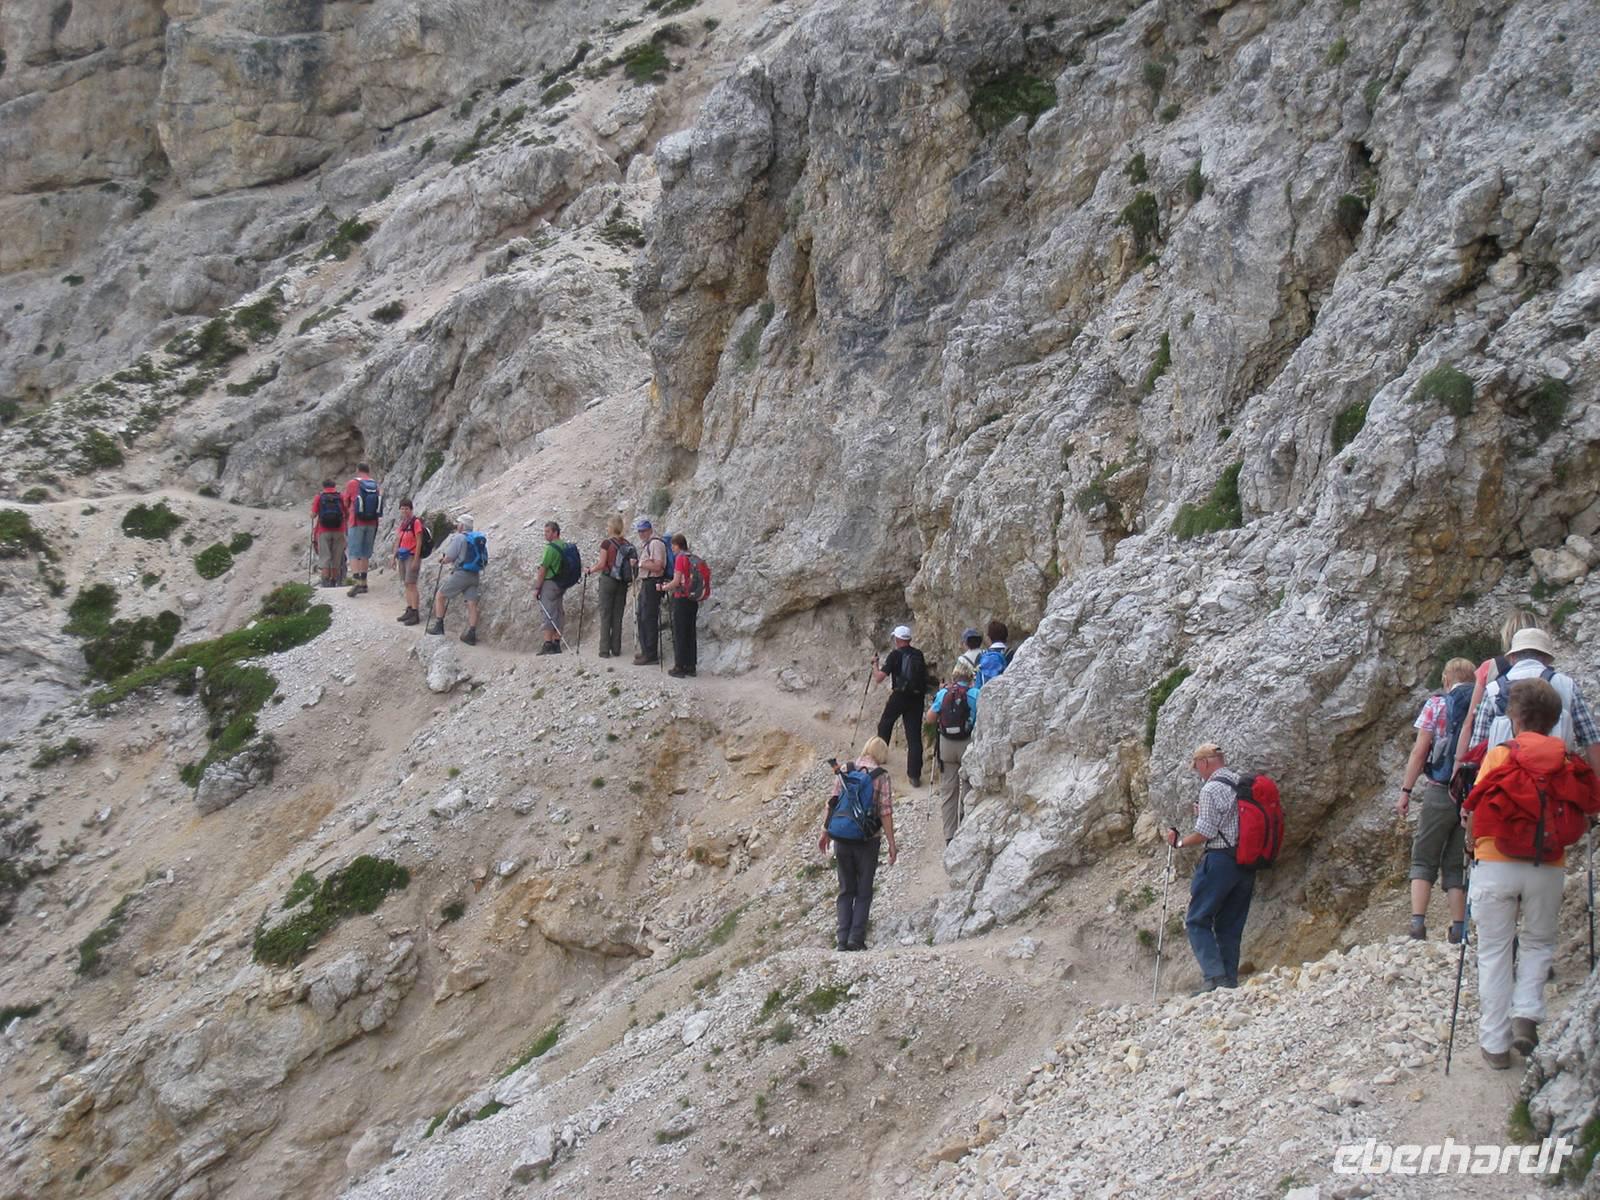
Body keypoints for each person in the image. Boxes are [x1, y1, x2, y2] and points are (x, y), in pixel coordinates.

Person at [1463, 679, 1600, 1068]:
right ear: (1555, 719)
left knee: (1494, 951)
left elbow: (1475, 806)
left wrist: (1471, 844)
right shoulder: (1566, 760)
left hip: (1495, 862)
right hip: (1547, 865)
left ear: (1514, 716)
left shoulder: (1501, 755)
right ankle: (1527, 1014)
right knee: (1538, 944)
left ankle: (1494, 1045)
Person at [1395, 657, 1476, 942]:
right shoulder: (1481, 704)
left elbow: (1420, 752)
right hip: (1471, 796)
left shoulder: (1437, 704)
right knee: (1455, 862)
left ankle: (1417, 924)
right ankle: (1458, 928)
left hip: (1440, 789)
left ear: (1446, 679)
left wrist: (1406, 790)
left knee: (1424, 856)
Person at [1163, 743, 1253, 993]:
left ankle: (1214, 979)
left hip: (1220, 860)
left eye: (1196, 767)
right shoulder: (1239, 782)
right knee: (1230, 923)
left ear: (1204, 762)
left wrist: (1179, 842)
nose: (1197, 771)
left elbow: (1206, 832)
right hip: (1246, 861)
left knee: (1197, 918)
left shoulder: (1211, 788)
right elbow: (1231, 818)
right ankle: (1229, 981)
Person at [1467, 627, 1600, 771]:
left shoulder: (1493, 690)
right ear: (1546, 659)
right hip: (1555, 782)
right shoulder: (1567, 685)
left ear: (1512, 658)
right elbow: (1591, 739)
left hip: (1504, 784)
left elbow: (1477, 746)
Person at [818, 736, 898, 951]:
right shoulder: (881, 776)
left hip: (842, 837)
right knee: (864, 890)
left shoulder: (845, 768)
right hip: (867, 840)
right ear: (882, 755)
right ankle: (857, 938)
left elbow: (833, 801)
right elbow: (885, 812)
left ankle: (842, 940)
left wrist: (825, 831)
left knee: (845, 889)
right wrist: (891, 843)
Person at [1451, 609, 1543, 770]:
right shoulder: (1549, 672)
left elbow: (1469, 722)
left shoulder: (1490, 667)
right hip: (1541, 756)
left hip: (1499, 758)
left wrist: (1458, 766)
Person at [927, 659, 978, 844]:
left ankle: (950, 835)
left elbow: (930, 719)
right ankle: (966, 824)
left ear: (954, 677)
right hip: (967, 744)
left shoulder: (943, 694)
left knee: (949, 790)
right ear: (971, 677)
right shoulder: (975, 693)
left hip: (946, 745)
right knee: (968, 785)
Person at [872, 625, 928, 787]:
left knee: (885, 724)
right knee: (914, 737)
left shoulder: (895, 655)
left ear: (897, 639)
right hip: (916, 699)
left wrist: (875, 664)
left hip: (899, 696)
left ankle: (878, 758)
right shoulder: (919, 654)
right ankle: (914, 775)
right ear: (909, 639)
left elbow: (879, 678)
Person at [426, 513, 485, 644]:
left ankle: (439, 625)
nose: (457, 525)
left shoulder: (460, 538)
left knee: (440, 595)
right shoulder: (476, 538)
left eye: (458, 523)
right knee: (471, 603)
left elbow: (450, 556)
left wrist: (443, 560)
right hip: (475, 574)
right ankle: (471, 633)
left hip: (461, 573)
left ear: (462, 525)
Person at [661, 533, 710, 678]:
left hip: (681, 599)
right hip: (693, 600)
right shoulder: (692, 557)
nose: (672, 548)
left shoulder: (680, 558)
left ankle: (679, 667)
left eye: (673, 546)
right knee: (690, 632)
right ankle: (691, 666)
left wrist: (664, 587)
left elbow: (676, 582)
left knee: (680, 632)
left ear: (677, 545)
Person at [586, 517, 634, 659]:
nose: (607, 527)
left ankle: (604, 650)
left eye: (608, 525)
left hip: (608, 580)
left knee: (606, 614)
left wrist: (590, 570)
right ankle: (616, 648)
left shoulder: (607, 543)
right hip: (622, 583)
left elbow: (602, 564)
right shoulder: (627, 544)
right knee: (618, 615)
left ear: (612, 527)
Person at [532, 521, 574, 655]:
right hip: (562, 583)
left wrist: (537, 588)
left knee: (548, 612)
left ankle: (548, 644)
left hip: (550, 583)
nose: (545, 534)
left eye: (548, 532)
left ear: (555, 532)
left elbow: (543, 569)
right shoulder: (564, 546)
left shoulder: (550, 548)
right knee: (558, 611)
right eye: (545, 532)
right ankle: (557, 643)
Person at [343, 463, 382, 597]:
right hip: (372, 522)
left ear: (357, 470)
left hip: (356, 521)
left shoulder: (352, 484)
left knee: (354, 552)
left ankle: (356, 582)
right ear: (368, 471)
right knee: (366, 553)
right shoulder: (375, 485)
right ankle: (364, 583)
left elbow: (345, 502)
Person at [633, 519, 667, 665]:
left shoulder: (655, 543)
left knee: (649, 618)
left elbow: (658, 566)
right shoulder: (649, 544)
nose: (641, 534)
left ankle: (651, 654)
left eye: (643, 531)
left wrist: (641, 564)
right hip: (648, 583)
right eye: (639, 531)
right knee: (642, 616)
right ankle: (647, 651)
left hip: (653, 583)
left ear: (649, 530)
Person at [392, 499, 425, 626]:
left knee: (411, 584)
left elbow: (419, 542)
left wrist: (416, 559)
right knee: (406, 584)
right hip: (402, 556)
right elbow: (397, 540)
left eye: (406, 508)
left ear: (411, 509)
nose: (404, 511)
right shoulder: (403, 524)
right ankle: (410, 609)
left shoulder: (416, 522)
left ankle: (415, 613)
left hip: (411, 556)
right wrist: (393, 557)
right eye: (402, 508)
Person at [310, 479, 346, 589]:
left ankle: (325, 583)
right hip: (339, 530)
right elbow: (347, 512)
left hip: (323, 531)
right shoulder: (341, 497)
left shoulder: (319, 497)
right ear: (335, 486)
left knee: (325, 557)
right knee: (336, 558)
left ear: (323, 486)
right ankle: (334, 581)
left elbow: (312, 515)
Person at [975, 619, 1010, 689]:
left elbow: (975, 677)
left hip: (984, 694)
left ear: (989, 637)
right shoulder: (1009, 653)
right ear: (1006, 635)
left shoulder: (981, 655)